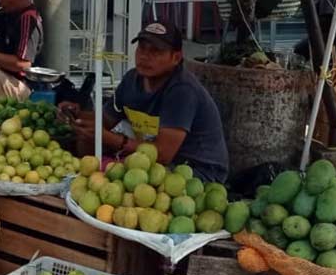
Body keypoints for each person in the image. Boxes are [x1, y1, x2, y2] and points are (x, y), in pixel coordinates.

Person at [61, 21, 229, 183]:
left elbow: (163, 154)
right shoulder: (132, 80)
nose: (145, 56)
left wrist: (110, 139)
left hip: (197, 173)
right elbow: (105, 121)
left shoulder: (182, 91)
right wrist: (77, 115)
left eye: (156, 51)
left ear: (176, 58)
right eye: (141, 48)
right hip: (154, 165)